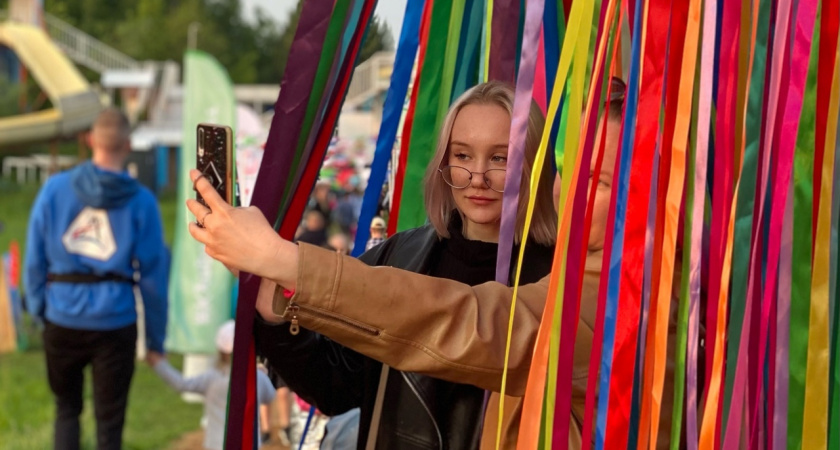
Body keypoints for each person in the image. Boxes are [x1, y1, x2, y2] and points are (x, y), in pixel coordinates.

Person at [187, 78, 676, 448]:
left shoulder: (568, 284)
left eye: (502, 158)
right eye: (462, 155)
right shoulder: (402, 254)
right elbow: (338, 386)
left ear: (535, 163)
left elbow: (461, 319)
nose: (478, 176)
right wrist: (276, 302)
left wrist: (287, 260)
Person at [24, 108, 169, 450]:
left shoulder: (54, 189)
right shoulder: (142, 202)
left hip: (61, 317)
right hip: (115, 322)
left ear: (90, 140)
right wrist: (155, 339)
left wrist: (38, 309)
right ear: (128, 144)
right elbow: (153, 279)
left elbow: (34, 259)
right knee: (110, 422)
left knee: (67, 410)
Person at [147, 320, 276, 450]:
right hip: (248, 443)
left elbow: (181, 384)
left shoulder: (212, 378)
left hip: (217, 444)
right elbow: (270, 395)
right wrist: (263, 374)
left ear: (220, 350)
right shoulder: (256, 377)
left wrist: (159, 364)